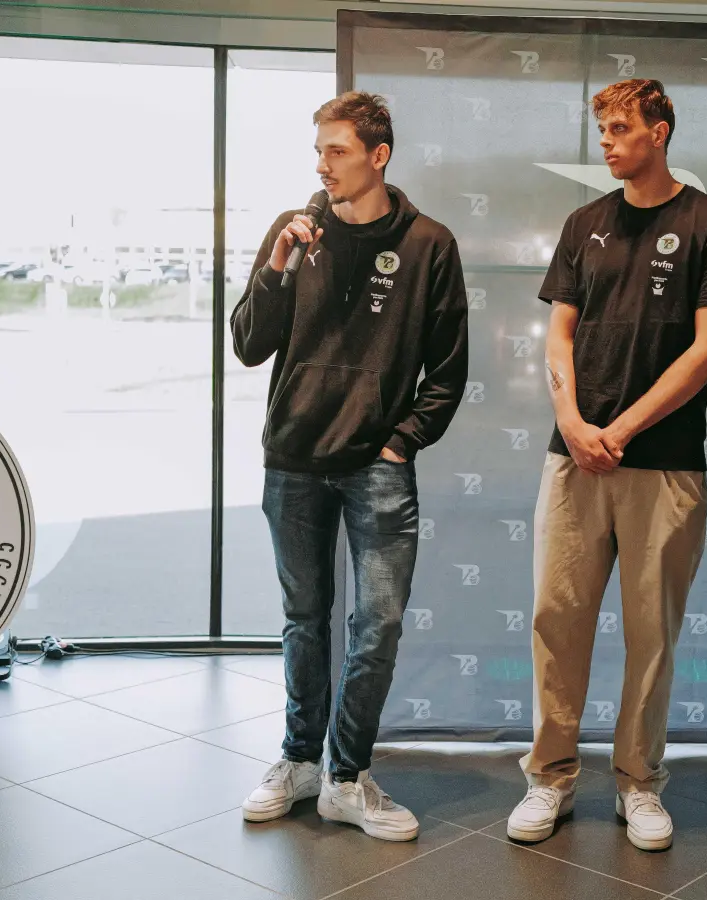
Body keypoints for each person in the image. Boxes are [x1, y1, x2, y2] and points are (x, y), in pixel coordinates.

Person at [506, 78, 707, 852]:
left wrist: (623, 430)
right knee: (556, 621)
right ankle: (550, 779)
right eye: (601, 129)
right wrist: (574, 423)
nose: (606, 142)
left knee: (652, 634)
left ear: (660, 131)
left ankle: (639, 784)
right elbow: (559, 337)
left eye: (618, 128)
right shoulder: (585, 223)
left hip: (665, 464)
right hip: (574, 458)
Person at [230, 91, 469, 842]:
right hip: (292, 461)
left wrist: (402, 442)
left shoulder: (429, 243)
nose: (323, 165)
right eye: (318, 152)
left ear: (378, 155)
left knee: (379, 625)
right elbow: (247, 343)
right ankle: (300, 761)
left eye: (337, 150)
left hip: (378, 467)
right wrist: (275, 267)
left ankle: (345, 774)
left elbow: (450, 368)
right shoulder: (295, 232)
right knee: (305, 619)